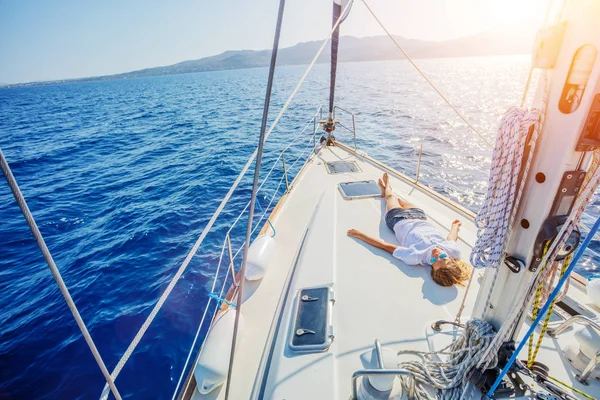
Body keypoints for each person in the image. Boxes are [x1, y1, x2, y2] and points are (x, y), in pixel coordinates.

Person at [347, 173, 471, 287]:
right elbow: (451, 239)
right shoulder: (454, 251)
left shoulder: (415, 256)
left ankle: (387, 187)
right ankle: (385, 193)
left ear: (431, 267)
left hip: (398, 219)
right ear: (451, 259)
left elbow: (384, 246)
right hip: (419, 215)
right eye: (443, 257)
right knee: (399, 200)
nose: (436, 255)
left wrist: (360, 235)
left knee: (391, 197)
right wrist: (454, 227)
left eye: (434, 260)